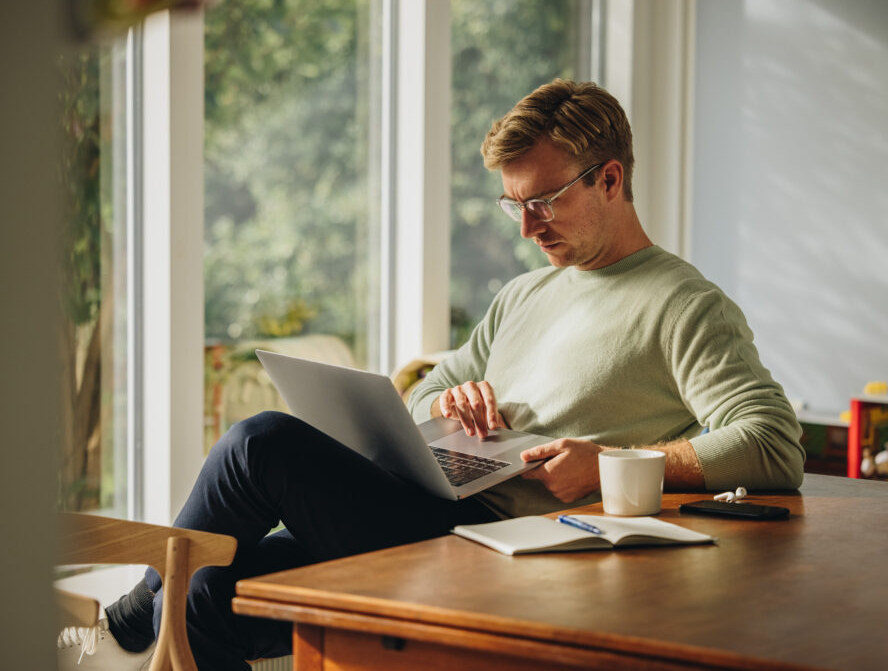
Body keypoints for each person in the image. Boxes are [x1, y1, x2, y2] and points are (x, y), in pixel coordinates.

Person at [57, 79, 804, 670]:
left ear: (610, 178)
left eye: (542, 200)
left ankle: (121, 620)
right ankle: (134, 617)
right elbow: (422, 388)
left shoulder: (686, 304)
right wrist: (450, 395)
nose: (525, 226)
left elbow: (773, 444)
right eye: (512, 203)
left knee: (261, 444)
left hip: (504, 548)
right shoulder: (525, 292)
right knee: (206, 593)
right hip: (430, 511)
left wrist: (606, 463)